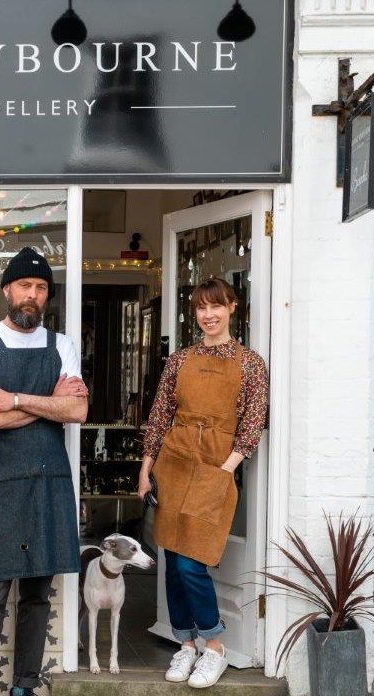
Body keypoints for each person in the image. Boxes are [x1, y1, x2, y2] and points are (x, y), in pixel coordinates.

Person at [0, 247, 88, 696]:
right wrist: (49, 402)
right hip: (2, 486)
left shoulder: (61, 344)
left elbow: (78, 409)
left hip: (49, 482)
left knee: (37, 594)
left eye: (40, 288)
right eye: (24, 286)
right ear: (6, 290)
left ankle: (24, 687)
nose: (32, 295)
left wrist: (15, 398)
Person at [138, 277, 268, 689]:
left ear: (232, 308)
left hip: (215, 467)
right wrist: (146, 467)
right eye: (200, 308)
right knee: (173, 564)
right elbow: (159, 414)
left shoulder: (250, 364)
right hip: (174, 463)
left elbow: (253, 422)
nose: (208, 315)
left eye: (216, 306)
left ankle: (213, 645)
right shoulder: (179, 360)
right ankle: (185, 643)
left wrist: (226, 467)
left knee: (193, 561)